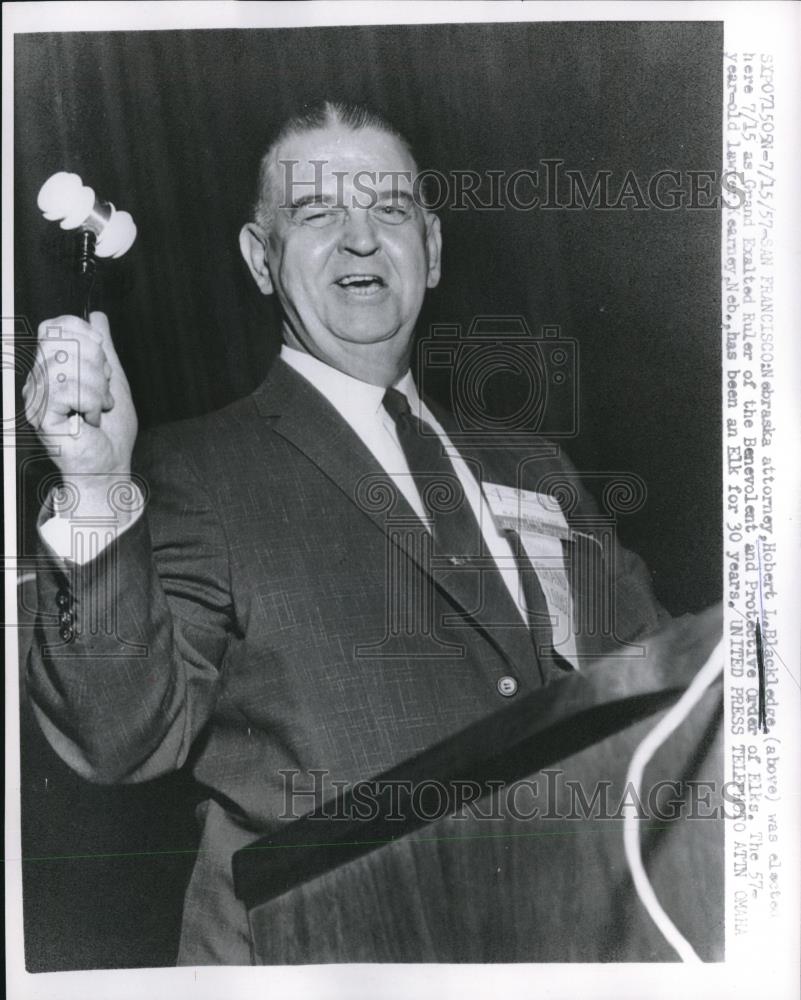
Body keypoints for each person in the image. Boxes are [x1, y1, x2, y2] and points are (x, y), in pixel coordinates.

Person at [24, 102, 667, 965]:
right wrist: (99, 487)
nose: (361, 240)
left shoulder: (538, 467)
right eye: (318, 212)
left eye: (390, 210)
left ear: (431, 250)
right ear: (261, 260)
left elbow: (665, 692)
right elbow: (117, 736)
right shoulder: (192, 474)